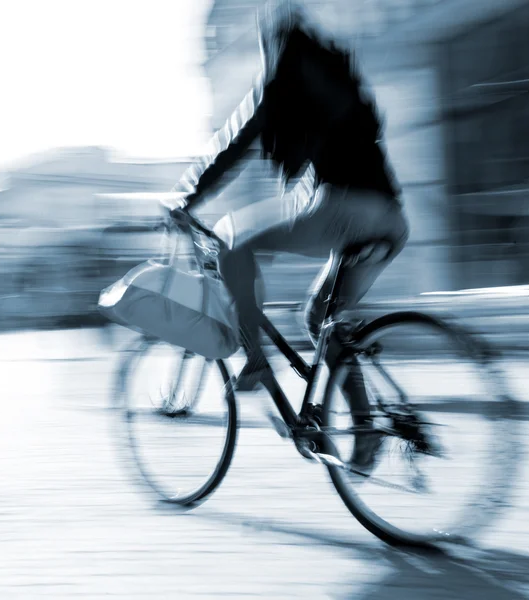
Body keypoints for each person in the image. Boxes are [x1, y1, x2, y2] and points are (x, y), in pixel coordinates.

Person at [170, 0, 409, 470]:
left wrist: (185, 197)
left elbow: (233, 142)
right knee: (322, 315)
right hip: (390, 219)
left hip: (345, 209)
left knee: (231, 239)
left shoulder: (285, 79)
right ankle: (366, 430)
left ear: (271, 44)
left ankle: (256, 362)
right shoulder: (337, 78)